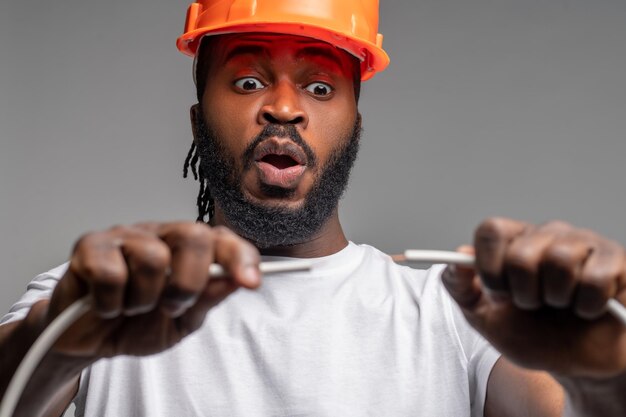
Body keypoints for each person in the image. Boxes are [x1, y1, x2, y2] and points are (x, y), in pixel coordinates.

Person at [1, 1, 625, 416]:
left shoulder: (457, 314)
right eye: (247, 81)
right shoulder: (98, 300)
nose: (283, 107)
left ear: (354, 126)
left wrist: (604, 373)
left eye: (319, 86)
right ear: (197, 123)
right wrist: (56, 342)